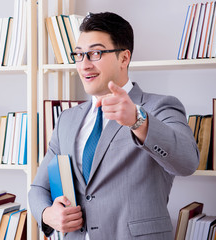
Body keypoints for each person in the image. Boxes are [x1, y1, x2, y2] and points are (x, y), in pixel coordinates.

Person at [28, 12, 199, 240]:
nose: (84, 65)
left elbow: (187, 162)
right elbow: (39, 188)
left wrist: (137, 120)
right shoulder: (66, 119)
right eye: (79, 55)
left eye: (95, 53)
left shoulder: (159, 107)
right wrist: (47, 214)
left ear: (124, 58)